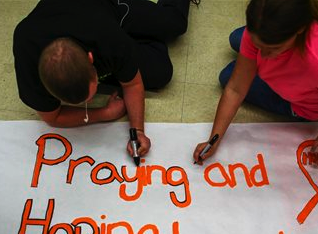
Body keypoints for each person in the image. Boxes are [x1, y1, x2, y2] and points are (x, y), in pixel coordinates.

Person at [193, 0, 318, 167]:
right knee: (236, 38)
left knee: (228, 74)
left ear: (299, 29)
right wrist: (214, 139)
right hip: (288, 76)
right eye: (258, 46)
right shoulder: (262, 31)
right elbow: (236, 89)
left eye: (274, 48)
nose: (263, 56)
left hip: (300, 104)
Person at [14, 0, 199, 159]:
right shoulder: (27, 54)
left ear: (90, 58)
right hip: (86, 25)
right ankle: (135, 46)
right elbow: (53, 117)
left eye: (91, 93)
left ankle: (134, 44)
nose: (88, 102)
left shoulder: (105, 35)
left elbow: (133, 84)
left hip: (108, 8)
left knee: (174, 24)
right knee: (159, 69)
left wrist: (138, 130)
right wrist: (104, 113)